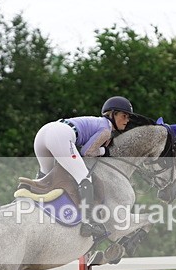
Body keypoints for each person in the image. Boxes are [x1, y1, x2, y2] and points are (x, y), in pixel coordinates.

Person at [33, 96, 133, 237]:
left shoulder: (98, 122)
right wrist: (105, 151)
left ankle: (28, 204)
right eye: (124, 115)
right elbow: (87, 152)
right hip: (59, 135)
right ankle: (88, 223)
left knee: (45, 178)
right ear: (112, 114)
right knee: (85, 178)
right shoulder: (106, 129)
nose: (127, 120)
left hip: (43, 132)